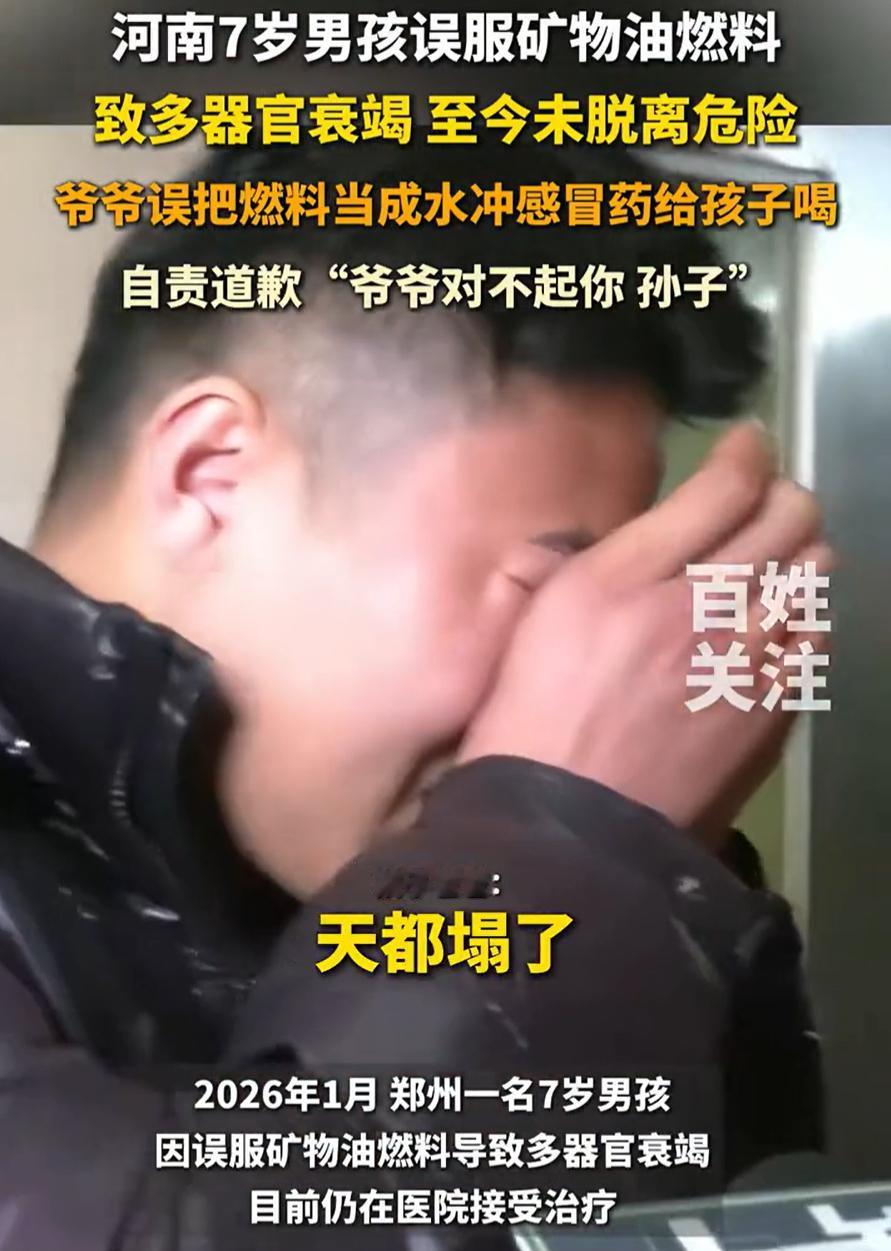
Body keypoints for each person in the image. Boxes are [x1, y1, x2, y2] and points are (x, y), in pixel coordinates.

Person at [0, 140, 826, 1249]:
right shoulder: (503, 843)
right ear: (210, 472)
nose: (569, 670)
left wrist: (667, 889)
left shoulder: (309, 839)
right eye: (544, 586)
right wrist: (570, 844)